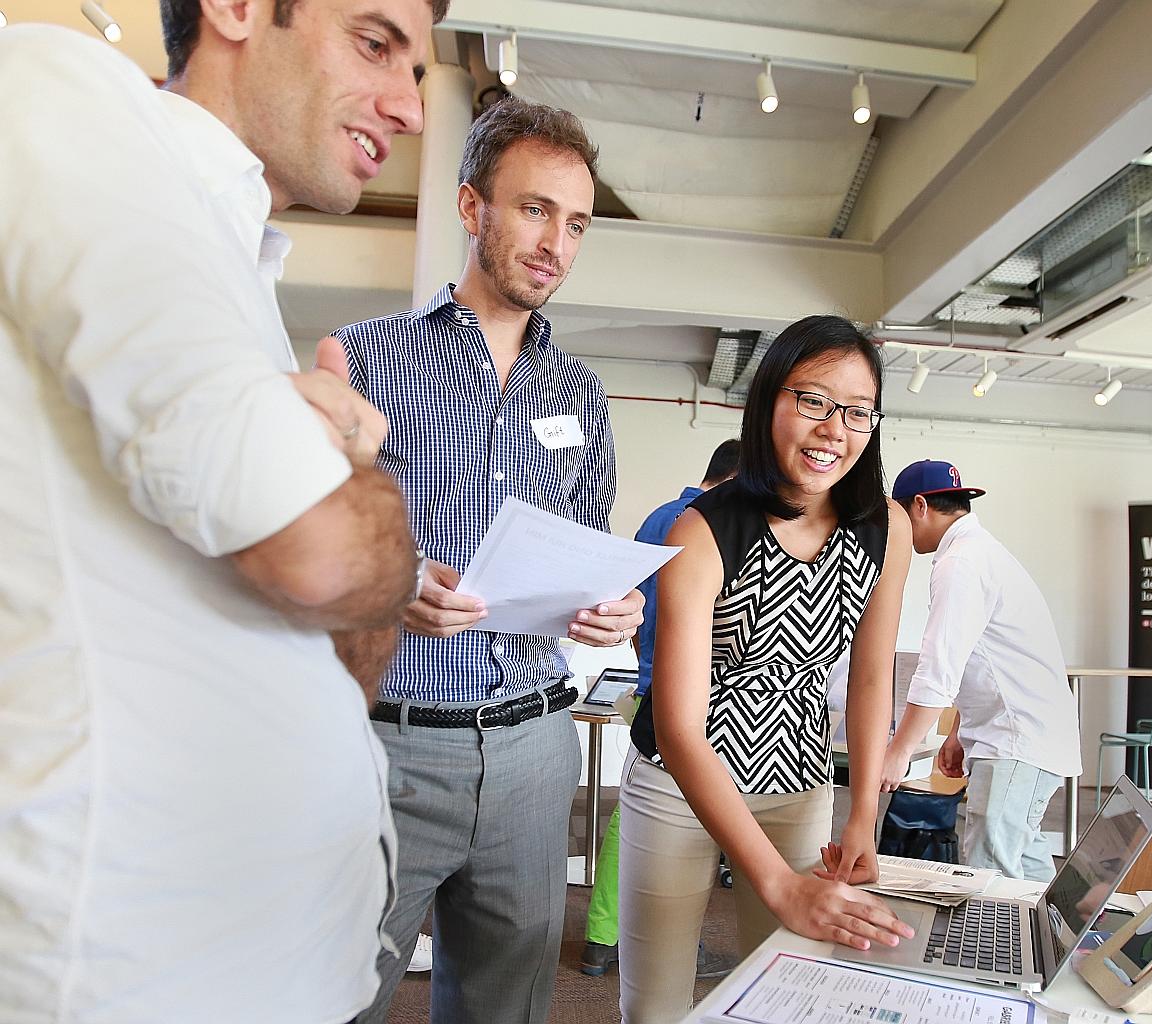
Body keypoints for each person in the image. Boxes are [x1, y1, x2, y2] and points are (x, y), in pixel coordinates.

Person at [0, 0, 446, 1020]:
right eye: (375, 44)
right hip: (133, 976)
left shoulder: (241, 284)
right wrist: (367, 493)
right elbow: (326, 558)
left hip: (278, 965)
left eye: (416, 70)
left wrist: (347, 495)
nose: (409, 108)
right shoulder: (62, 91)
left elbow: (345, 650)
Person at [332, 94, 645, 1024]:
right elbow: (312, 556)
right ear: (472, 207)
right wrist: (393, 582)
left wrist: (611, 609)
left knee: (505, 1007)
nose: (557, 242)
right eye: (536, 209)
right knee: (333, 991)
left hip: (534, 750)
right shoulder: (364, 359)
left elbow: (593, 551)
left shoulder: (580, 393)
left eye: (577, 222)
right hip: (389, 743)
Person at [619, 315, 917, 1022]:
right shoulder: (704, 528)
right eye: (812, 400)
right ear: (767, 403)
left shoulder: (886, 527)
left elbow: (873, 678)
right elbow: (680, 725)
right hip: (678, 786)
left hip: (799, 786)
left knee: (786, 1002)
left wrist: (864, 817)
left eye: (855, 411)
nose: (833, 429)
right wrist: (778, 883)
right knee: (655, 1005)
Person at [581, 438, 742, 979]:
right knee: (680, 825)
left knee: (635, 814)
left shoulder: (659, 516)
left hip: (651, 682)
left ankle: (603, 936)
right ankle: (658, 945)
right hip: (698, 693)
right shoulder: (707, 522)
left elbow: (633, 602)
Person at [880, 460, 1081, 881]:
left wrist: (897, 754)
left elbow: (938, 669)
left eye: (895, 517)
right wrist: (957, 732)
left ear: (919, 506)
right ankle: (1059, 946)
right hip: (1025, 734)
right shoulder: (980, 552)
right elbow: (984, 655)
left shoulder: (962, 563)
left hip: (1016, 739)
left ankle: (1001, 949)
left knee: (990, 872)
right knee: (1023, 864)